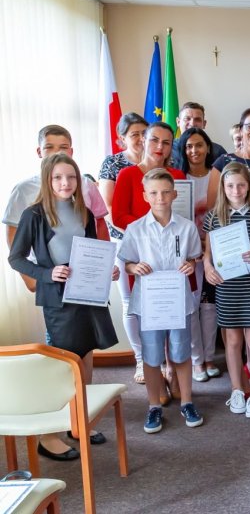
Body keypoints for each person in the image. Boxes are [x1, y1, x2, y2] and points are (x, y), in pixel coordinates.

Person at [8, 153, 119, 459]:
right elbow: (16, 258)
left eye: (71, 177)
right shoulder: (34, 214)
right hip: (58, 299)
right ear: (48, 179)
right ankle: (48, 436)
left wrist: (108, 270)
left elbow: (94, 250)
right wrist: (47, 274)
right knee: (63, 366)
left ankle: (77, 422)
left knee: (85, 357)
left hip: (87, 295)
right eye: (58, 177)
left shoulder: (83, 211)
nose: (65, 182)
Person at [118, 168, 204, 433]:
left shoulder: (187, 227)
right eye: (154, 193)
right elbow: (127, 262)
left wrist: (191, 265)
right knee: (152, 356)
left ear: (174, 194)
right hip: (150, 303)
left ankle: (187, 402)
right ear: (145, 196)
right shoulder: (135, 229)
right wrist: (134, 268)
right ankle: (154, 405)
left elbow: (194, 257)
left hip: (177, 301)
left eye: (166, 192)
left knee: (181, 352)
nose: (160, 198)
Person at [111, 122, 186, 400]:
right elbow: (118, 215)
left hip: (173, 256)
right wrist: (151, 229)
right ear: (143, 140)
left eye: (166, 142)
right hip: (141, 256)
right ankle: (152, 368)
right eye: (155, 140)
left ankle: (173, 372)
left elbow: (183, 215)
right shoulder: (128, 174)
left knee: (173, 314)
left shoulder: (178, 175)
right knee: (148, 315)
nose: (159, 147)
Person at [203, 162, 250, 419]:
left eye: (241, 185)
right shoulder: (214, 216)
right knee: (232, 341)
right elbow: (207, 254)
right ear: (223, 187)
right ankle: (236, 389)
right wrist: (207, 267)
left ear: (249, 187)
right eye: (231, 185)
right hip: (227, 286)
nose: (236, 190)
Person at [5, 125, 110, 292]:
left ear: (71, 151)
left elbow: (100, 226)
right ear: (39, 152)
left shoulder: (86, 184)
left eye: (63, 147)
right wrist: (31, 278)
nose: (57, 152)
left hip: (85, 276)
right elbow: (14, 236)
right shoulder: (23, 190)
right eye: (49, 147)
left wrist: (104, 265)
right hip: (47, 273)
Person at [98, 113, 148, 383]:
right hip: (124, 240)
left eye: (144, 133)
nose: (141, 139)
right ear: (122, 139)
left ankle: (162, 360)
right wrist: (140, 231)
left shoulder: (160, 161)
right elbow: (107, 207)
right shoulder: (113, 163)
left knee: (158, 299)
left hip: (157, 242)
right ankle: (140, 359)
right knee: (130, 302)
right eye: (134, 134)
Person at [177, 128, 220, 383]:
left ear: (208, 147)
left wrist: (208, 245)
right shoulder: (178, 179)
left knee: (209, 306)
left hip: (213, 249)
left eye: (199, 145)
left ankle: (210, 357)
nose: (194, 151)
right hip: (187, 252)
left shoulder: (218, 176)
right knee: (191, 306)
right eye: (189, 146)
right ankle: (196, 360)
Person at [170, 102, 227, 170]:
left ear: (204, 124)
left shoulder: (218, 151)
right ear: (178, 122)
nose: (192, 124)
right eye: (187, 119)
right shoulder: (169, 148)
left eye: (197, 120)